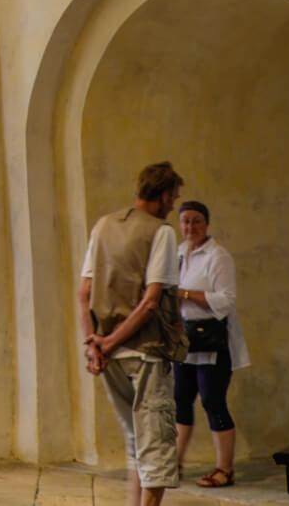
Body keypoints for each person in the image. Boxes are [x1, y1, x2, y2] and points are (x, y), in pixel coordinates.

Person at [78, 161, 184, 506]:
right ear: (164, 194)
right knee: (155, 444)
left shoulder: (104, 226)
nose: (173, 205)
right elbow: (151, 301)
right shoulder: (161, 232)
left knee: (135, 440)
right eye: (174, 197)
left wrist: (94, 343)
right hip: (145, 351)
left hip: (110, 356)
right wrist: (110, 341)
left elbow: (84, 292)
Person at [173, 200, 250, 488]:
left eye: (196, 221)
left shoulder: (218, 256)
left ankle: (224, 468)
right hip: (184, 341)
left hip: (212, 342)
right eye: (185, 221)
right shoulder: (178, 254)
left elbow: (226, 300)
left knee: (212, 401)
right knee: (180, 400)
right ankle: (175, 463)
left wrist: (186, 294)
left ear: (206, 223)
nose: (190, 227)